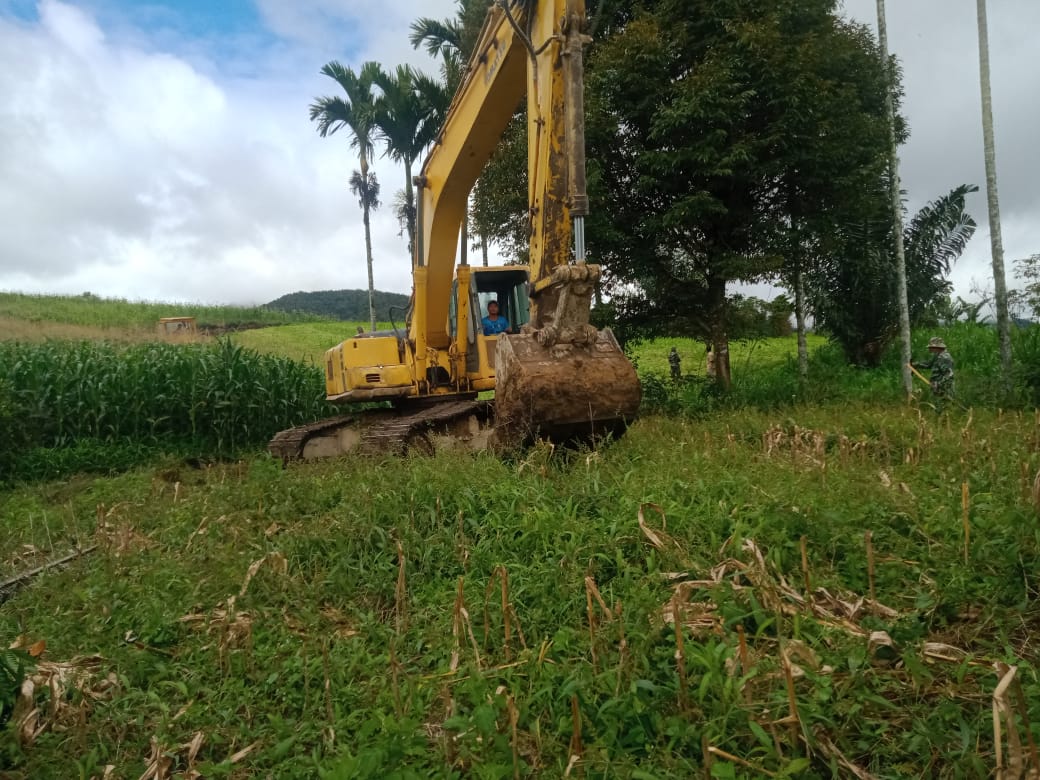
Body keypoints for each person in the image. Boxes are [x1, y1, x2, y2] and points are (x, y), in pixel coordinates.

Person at [912, 336, 955, 412]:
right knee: (937, 408)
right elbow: (929, 364)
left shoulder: (944, 358)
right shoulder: (937, 356)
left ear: (937, 348)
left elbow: (949, 375)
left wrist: (939, 384)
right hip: (937, 388)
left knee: (945, 409)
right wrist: (916, 364)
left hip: (944, 388)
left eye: (931, 347)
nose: (929, 349)